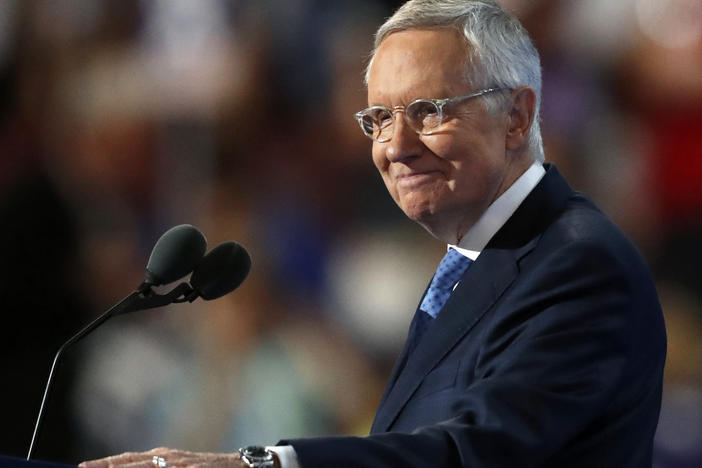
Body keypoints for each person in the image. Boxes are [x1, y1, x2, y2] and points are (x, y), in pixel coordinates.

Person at [80, 1, 666, 467]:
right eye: (379, 119)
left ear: (516, 116)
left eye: (429, 110)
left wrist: (267, 466)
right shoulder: (476, 257)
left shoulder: (577, 263)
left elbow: (475, 454)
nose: (396, 147)